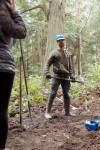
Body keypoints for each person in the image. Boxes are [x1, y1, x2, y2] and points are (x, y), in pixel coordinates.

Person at [0, 0, 26, 149]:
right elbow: (21, 32)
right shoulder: (4, 8)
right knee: (1, 109)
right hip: (3, 65)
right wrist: (15, 12)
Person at [44, 34, 75, 119]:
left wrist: (72, 75)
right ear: (57, 42)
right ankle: (47, 112)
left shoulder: (67, 53)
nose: (61, 42)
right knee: (53, 93)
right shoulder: (54, 53)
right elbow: (47, 63)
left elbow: (70, 65)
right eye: (60, 40)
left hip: (66, 77)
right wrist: (47, 73)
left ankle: (67, 112)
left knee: (66, 94)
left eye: (62, 40)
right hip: (56, 76)